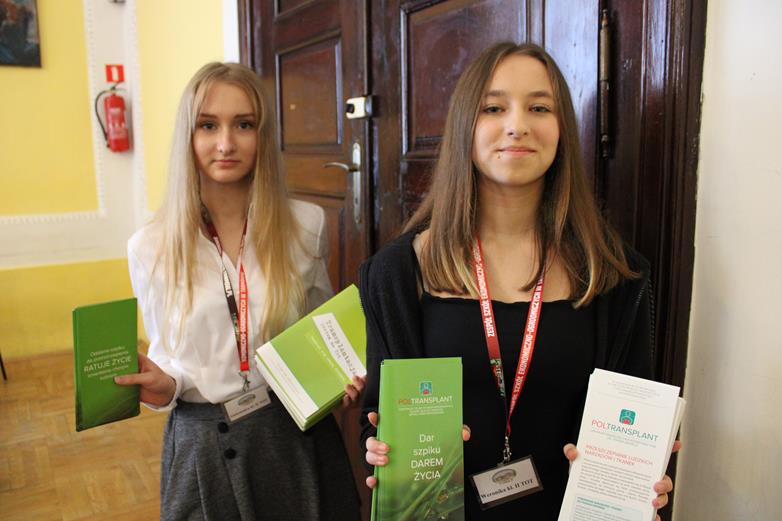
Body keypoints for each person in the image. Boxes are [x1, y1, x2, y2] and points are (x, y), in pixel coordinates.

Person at [359, 42, 679, 519]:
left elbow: (632, 422)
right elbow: (376, 415)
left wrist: (642, 480)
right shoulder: (396, 274)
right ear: (465, 125)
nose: (517, 125)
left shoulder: (615, 274)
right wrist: (380, 446)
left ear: (562, 129)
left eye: (539, 108)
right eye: (494, 108)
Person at [115, 62, 362, 521]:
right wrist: (163, 386)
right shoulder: (149, 247)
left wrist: (340, 378)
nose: (226, 143)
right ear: (188, 136)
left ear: (262, 135)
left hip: (294, 434)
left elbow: (321, 328)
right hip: (205, 445)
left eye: (243, 125)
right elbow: (170, 360)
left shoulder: (305, 225)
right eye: (208, 125)